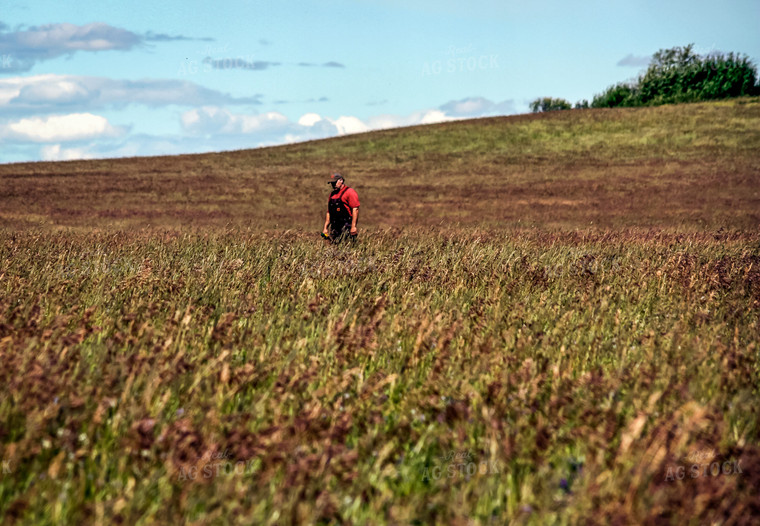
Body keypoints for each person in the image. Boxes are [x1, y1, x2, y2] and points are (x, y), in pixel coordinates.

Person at [323, 172, 360, 243]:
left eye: (335, 183)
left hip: (346, 227)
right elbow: (329, 212)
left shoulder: (350, 192)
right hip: (334, 227)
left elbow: (355, 209)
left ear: (341, 180)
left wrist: (353, 227)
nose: (333, 185)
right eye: (331, 183)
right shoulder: (332, 195)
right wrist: (325, 228)